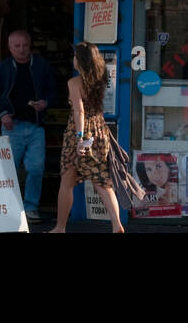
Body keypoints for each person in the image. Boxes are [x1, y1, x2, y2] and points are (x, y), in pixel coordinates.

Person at [50, 42, 124, 233]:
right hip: (100, 132)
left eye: (75, 56)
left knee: (66, 181)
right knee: (102, 181)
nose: (73, 59)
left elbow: (79, 111)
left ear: (81, 60)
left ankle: (60, 227)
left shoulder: (74, 83)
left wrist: (80, 137)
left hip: (79, 133)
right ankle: (117, 224)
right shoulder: (101, 78)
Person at [0, 30, 57, 222]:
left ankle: (30, 207)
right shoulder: (1, 69)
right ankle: (7, 206)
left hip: (35, 126)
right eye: (16, 46)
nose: (21, 49)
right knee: (8, 169)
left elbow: (53, 91)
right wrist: (2, 114)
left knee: (36, 168)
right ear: (9, 48)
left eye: (25, 45)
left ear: (30, 45)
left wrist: (45, 102)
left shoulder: (41, 66)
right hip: (12, 126)